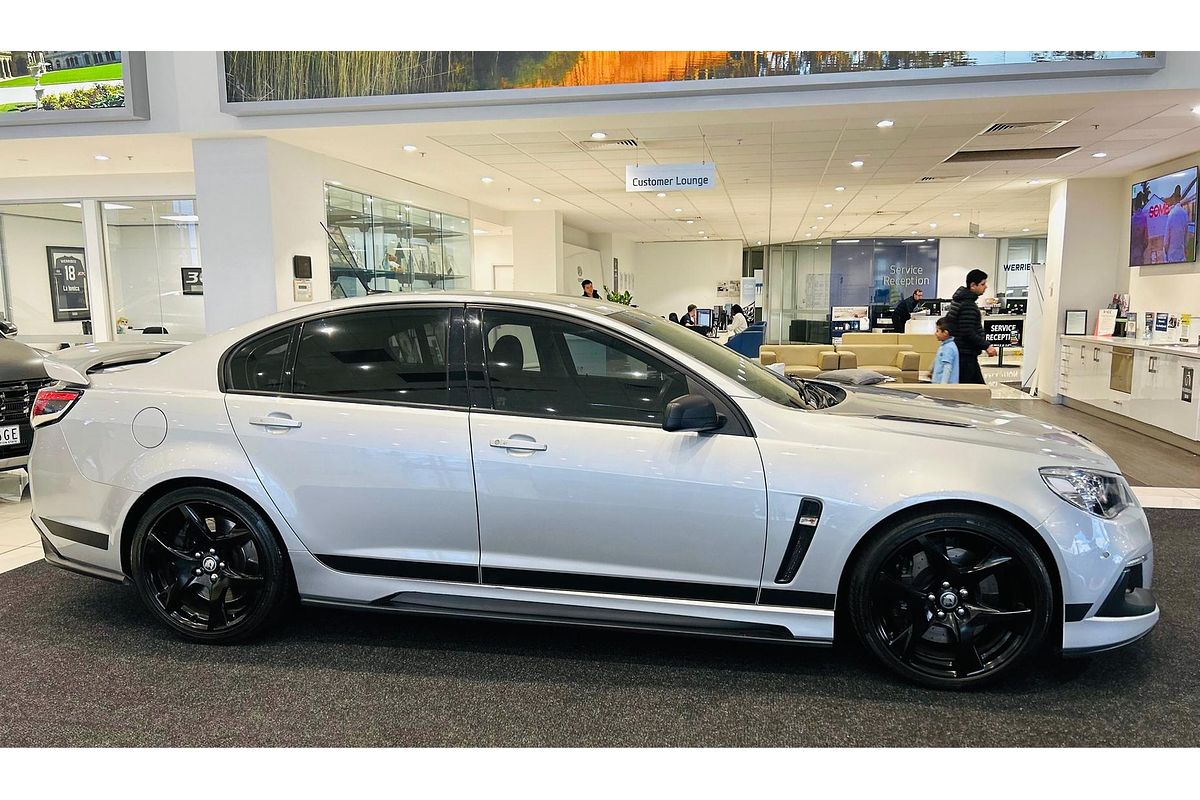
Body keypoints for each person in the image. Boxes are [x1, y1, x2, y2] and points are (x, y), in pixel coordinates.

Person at [944, 269, 996, 385]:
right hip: (966, 354)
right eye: (983, 284)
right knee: (974, 392)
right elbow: (967, 331)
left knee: (972, 390)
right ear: (973, 285)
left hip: (960, 351)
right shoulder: (968, 305)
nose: (986, 287)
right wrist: (986, 346)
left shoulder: (958, 300)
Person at [1165, 185, 1191, 264]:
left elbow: (1167, 237)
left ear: (1174, 198)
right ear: (1180, 198)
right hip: (1181, 254)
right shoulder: (1184, 214)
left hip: (1171, 255)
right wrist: (1185, 248)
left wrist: (1165, 250)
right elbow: (1187, 235)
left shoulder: (1171, 214)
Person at [931, 316, 959, 384]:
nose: (935, 333)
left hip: (945, 386)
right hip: (938, 383)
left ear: (945, 333)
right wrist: (931, 370)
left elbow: (947, 368)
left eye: (937, 331)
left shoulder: (948, 348)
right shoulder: (944, 345)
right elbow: (937, 360)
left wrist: (943, 386)